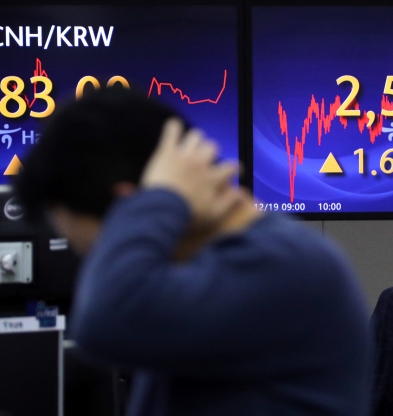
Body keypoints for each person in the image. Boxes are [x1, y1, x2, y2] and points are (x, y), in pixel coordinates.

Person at [13, 88, 371, 416]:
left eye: (94, 249)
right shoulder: (214, 268)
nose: (101, 263)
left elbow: (102, 322)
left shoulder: (286, 265)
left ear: (131, 206)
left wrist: (162, 199)